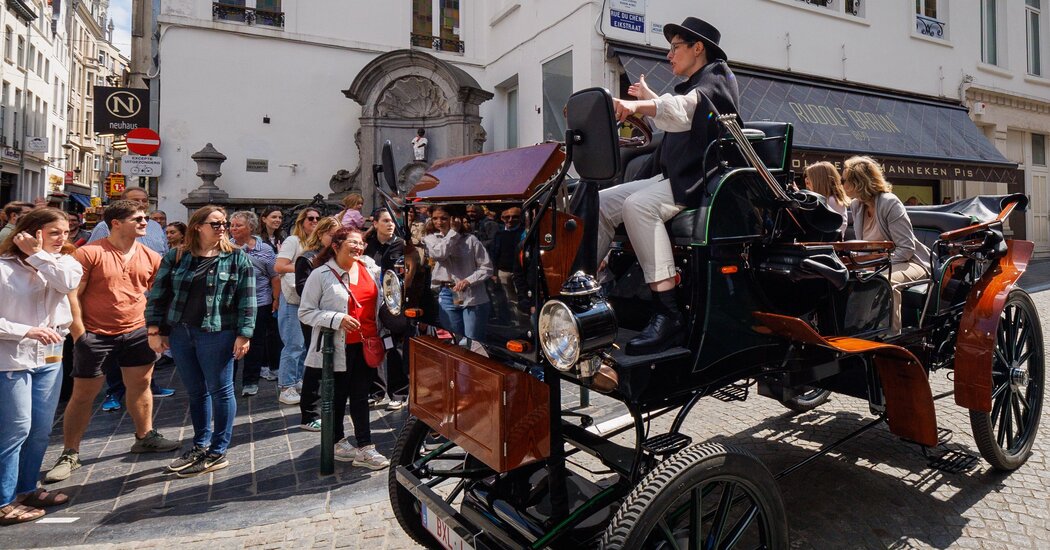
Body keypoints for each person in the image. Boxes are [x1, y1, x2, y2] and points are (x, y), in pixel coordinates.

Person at [597, 17, 740, 355]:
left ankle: (668, 313)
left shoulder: (718, 77)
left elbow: (684, 109)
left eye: (675, 47)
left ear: (698, 48)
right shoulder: (695, 85)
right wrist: (649, 100)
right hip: (674, 177)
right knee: (600, 201)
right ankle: (587, 287)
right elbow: (677, 112)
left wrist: (638, 105)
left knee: (638, 205)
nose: (669, 55)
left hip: (699, 179)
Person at [43, 200, 180, 484]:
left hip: (136, 331)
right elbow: (73, 295)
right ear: (116, 223)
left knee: (141, 385)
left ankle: (145, 436)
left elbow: (157, 295)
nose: (145, 222)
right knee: (84, 393)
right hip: (96, 333)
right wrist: (80, 334)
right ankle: (70, 452)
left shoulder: (150, 255)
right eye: (138, 219)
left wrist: (155, 330)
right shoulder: (90, 253)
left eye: (145, 218)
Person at [146, 205, 256, 477]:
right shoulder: (177, 256)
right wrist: (154, 330)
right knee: (195, 392)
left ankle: (219, 449)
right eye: (216, 224)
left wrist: (244, 334)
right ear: (198, 226)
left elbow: (247, 300)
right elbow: (158, 294)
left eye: (224, 224)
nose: (222, 228)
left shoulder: (237, 258)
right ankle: (200, 444)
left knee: (221, 390)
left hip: (218, 333)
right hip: (182, 332)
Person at [0, 208, 81, 525]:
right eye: (54, 233)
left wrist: (37, 256)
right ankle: (3, 500)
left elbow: (66, 284)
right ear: (31, 233)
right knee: (15, 429)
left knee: (40, 429)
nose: (62, 239)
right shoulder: (4, 269)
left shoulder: (65, 263)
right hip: (11, 357)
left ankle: (26, 488)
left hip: (50, 356)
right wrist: (25, 330)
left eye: (66, 232)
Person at [298, 227, 390, 470]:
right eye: (353, 242)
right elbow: (305, 312)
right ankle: (338, 441)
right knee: (338, 396)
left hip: (367, 343)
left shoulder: (369, 269)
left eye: (361, 243)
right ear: (336, 246)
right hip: (337, 347)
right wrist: (336, 319)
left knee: (361, 395)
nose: (359, 247)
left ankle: (365, 447)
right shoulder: (321, 274)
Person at [842, 156, 931, 334]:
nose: (841, 184)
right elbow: (863, 246)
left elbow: (906, 249)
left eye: (844, 180)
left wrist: (875, 265)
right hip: (878, 262)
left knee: (884, 280)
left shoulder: (889, 202)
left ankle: (891, 337)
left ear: (858, 182)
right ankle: (857, 332)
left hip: (911, 262)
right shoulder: (857, 205)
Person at [294, 216, 342, 430]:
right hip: (315, 317)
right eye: (331, 234)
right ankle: (309, 413)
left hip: (336, 316)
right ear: (320, 234)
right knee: (315, 363)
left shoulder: (338, 258)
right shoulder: (307, 258)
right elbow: (302, 288)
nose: (334, 239)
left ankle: (327, 405)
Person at [423, 205, 493, 343]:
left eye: (444, 218)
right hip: (448, 293)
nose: (439, 222)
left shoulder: (470, 240)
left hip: (472, 294)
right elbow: (440, 254)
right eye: (435, 218)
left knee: (472, 340)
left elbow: (487, 267)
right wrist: (453, 233)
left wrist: (468, 281)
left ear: (454, 219)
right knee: (453, 338)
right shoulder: (431, 238)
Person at [229, 211, 280, 397]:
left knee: (255, 343)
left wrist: (276, 299)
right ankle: (228, 381)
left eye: (238, 225)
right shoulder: (224, 247)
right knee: (229, 343)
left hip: (259, 302)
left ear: (250, 227)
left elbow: (274, 276)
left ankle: (250, 381)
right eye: (232, 225)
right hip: (231, 304)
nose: (233, 228)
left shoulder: (264, 249)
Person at [273, 207, 321, 405]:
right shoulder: (294, 241)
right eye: (310, 218)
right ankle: (286, 386)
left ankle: (296, 380)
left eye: (318, 218)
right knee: (293, 345)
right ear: (301, 222)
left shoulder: (314, 244)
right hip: (292, 299)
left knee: (303, 345)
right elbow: (279, 266)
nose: (314, 221)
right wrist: (304, 267)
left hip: (307, 301)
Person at [364, 207, 408, 410]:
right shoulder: (367, 246)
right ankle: (376, 391)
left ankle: (399, 393)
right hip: (371, 301)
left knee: (395, 348)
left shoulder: (400, 244)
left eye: (392, 221)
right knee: (374, 344)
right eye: (385, 221)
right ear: (375, 224)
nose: (390, 224)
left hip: (394, 304)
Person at [87, 187, 168, 254]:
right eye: (135, 200)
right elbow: (91, 253)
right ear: (123, 202)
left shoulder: (155, 226)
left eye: (144, 201)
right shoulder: (105, 226)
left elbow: (164, 252)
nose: (141, 204)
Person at [490, 207, 527, 323]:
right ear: (501, 218)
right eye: (507, 217)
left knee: (523, 300)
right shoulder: (499, 234)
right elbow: (494, 253)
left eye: (515, 217)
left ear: (520, 218)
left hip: (521, 274)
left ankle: (525, 325)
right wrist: (494, 272)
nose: (510, 220)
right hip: (503, 272)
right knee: (510, 301)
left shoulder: (525, 233)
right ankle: (516, 324)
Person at [804, 162, 849, 237]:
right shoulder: (834, 199)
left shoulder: (830, 201)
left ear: (818, 181)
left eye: (809, 177)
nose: (806, 180)